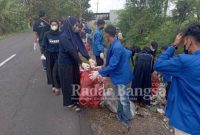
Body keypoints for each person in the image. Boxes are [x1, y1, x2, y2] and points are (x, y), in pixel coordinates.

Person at [154, 24, 200, 135]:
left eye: (184, 41)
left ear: (189, 41)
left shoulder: (185, 61)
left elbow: (158, 65)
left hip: (187, 122)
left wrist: (174, 45)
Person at [90, 25, 133, 129]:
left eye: (105, 35)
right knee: (119, 97)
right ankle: (120, 115)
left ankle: (127, 120)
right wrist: (101, 67)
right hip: (118, 76)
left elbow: (113, 65)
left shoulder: (117, 46)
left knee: (124, 100)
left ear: (108, 35)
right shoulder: (112, 44)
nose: (105, 36)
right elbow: (110, 62)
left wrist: (99, 73)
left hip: (123, 77)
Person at [58, 16, 96, 112]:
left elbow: (80, 46)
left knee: (76, 80)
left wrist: (88, 58)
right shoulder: (63, 37)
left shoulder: (74, 34)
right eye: (75, 24)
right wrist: (81, 62)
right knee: (68, 83)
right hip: (65, 63)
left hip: (74, 62)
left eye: (77, 24)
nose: (76, 26)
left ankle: (76, 100)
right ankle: (69, 103)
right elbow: (71, 51)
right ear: (70, 24)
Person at [42, 19, 61, 95]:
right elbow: (43, 45)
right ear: (50, 25)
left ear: (58, 25)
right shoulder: (47, 34)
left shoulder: (60, 34)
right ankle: (53, 85)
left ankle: (57, 87)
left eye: (55, 24)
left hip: (59, 54)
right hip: (49, 54)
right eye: (52, 25)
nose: (54, 26)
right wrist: (42, 53)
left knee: (55, 70)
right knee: (50, 70)